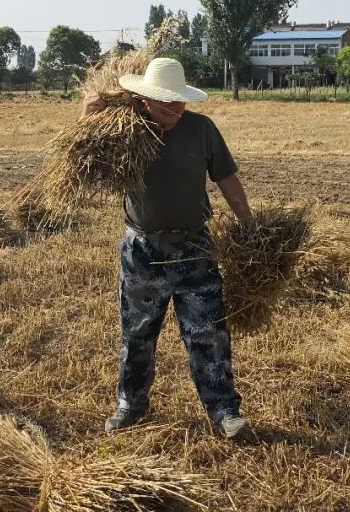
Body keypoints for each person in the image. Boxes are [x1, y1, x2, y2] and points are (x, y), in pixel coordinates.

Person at [80, 56, 254, 439]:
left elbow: (227, 178)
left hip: (194, 247)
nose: (175, 107)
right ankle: (131, 403)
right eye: (165, 101)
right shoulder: (122, 131)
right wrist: (86, 121)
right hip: (142, 250)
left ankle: (224, 410)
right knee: (138, 331)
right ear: (144, 98)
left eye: (180, 100)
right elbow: (83, 170)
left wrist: (250, 226)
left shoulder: (201, 130)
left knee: (208, 331)